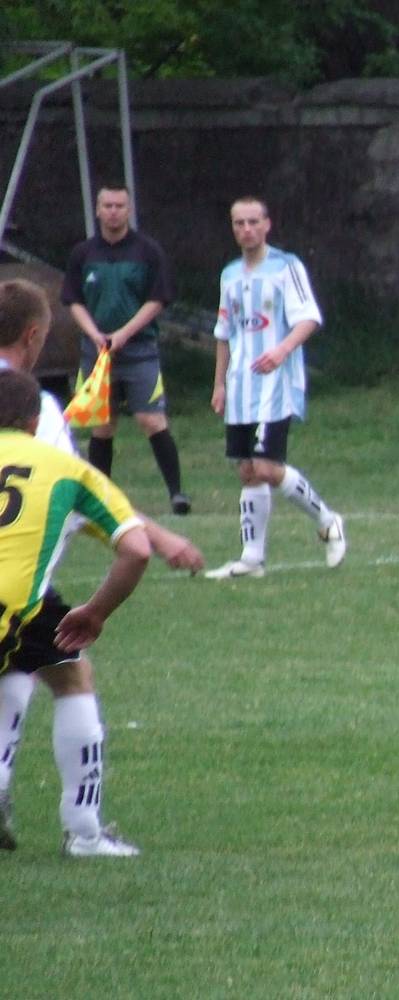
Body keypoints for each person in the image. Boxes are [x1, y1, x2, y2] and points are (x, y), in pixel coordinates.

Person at [0, 278, 203, 856]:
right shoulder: (36, 407)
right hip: (20, 588)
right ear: (34, 336)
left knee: (19, 666)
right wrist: (157, 535)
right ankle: (84, 830)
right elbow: (72, 499)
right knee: (68, 671)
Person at [0, 369, 153, 856]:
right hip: (14, 605)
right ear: (34, 422)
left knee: (32, 667)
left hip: (19, 615)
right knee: (68, 674)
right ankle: (85, 831)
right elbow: (137, 549)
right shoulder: (67, 468)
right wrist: (96, 612)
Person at [205, 196, 346, 580]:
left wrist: (282, 350)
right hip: (240, 387)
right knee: (248, 470)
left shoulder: (286, 267)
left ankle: (328, 520)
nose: (246, 229)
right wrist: (219, 384)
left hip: (275, 385)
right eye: (239, 223)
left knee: (267, 466)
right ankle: (252, 559)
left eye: (253, 222)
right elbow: (224, 333)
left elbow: (309, 318)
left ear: (267, 224)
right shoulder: (230, 275)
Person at [61, 183, 190, 514]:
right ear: (98, 209)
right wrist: (95, 334)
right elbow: (73, 299)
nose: (114, 212)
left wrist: (123, 334)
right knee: (103, 423)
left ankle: (177, 493)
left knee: (151, 418)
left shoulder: (147, 251)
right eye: (108, 205)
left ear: (129, 210)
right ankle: (100, 498)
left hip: (139, 350)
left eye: (120, 206)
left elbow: (158, 298)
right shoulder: (83, 253)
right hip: (96, 352)